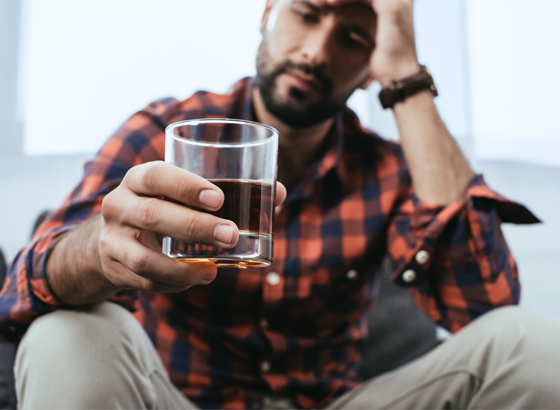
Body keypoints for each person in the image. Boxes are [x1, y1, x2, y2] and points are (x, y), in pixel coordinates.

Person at [1, 0, 560, 408]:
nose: (316, 51)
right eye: (308, 14)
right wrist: (99, 252)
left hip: (330, 404)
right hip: (175, 401)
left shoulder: (390, 169)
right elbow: (16, 294)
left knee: (533, 344)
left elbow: (488, 312)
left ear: (370, 70)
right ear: (267, 12)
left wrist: (406, 78)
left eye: (353, 39)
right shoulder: (165, 137)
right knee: (66, 333)